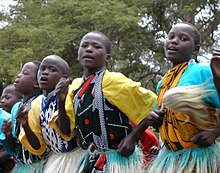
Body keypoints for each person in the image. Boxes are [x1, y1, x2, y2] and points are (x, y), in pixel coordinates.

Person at [51, 31, 158, 173]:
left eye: (96, 46)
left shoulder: (114, 81)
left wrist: (133, 137)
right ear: (78, 54)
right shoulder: (75, 87)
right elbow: (65, 130)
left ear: (107, 57)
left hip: (117, 162)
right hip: (88, 161)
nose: (89, 49)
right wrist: (61, 99)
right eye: (84, 46)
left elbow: (154, 107)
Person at [123, 22, 220, 173]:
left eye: (183, 38)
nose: (174, 41)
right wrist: (151, 122)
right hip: (170, 159)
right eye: (171, 37)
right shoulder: (163, 82)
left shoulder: (203, 72)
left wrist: (215, 131)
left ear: (196, 49)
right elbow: (160, 117)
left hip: (200, 160)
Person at [18, 55, 78, 173]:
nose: (45, 73)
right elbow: (37, 146)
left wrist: (61, 100)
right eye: (42, 69)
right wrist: (25, 124)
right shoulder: (37, 104)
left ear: (63, 78)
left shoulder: (71, 93)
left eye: (52, 70)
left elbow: (66, 131)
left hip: (76, 158)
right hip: (55, 161)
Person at [1, 61, 47, 173]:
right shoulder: (16, 107)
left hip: (39, 166)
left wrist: (25, 124)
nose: (18, 75)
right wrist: (8, 135)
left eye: (24, 73)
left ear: (37, 83)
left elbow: (38, 147)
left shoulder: (40, 103)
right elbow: (14, 149)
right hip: (22, 167)